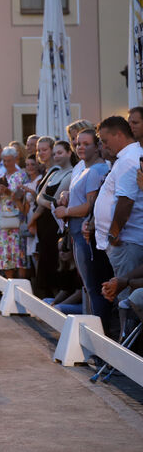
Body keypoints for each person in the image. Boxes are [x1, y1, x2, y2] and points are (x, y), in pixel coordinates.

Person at [54, 129, 112, 332]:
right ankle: (92, 331)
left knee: (93, 286)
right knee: (88, 287)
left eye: (86, 144)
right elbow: (78, 192)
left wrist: (66, 211)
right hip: (77, 232)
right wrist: (66, 193)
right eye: (78, 143)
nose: (80, 147)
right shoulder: (82, 167)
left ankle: (99, 334)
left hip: (86, 233)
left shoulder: (97, 170)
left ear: (97, 146)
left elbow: (90, 206)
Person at [94, 116, 143, 302]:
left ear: (119, 134)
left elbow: (125, 201)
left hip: (127, 242)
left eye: (105, 141)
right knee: (122, 296)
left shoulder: (129, 159)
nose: (104, 146)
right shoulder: (125, 158)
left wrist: (113, 233)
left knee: (125, 298)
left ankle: (124, 332)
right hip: (125, 241)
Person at [29, 140, 73, 298]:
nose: (57, 156)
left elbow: (53, 200)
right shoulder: (54, 173)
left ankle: (55, 298)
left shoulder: (71, 173)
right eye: (55, 153)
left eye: (60, 152)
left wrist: (45, 201)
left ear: (69, 152)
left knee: (55, 261)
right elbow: (40, 198)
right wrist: (46, 201)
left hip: (55, 224)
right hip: (45, 224)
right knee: (45, 260)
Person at [0, 147, 28, 278]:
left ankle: (22, 288)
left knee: (19, 253)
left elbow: (23, 198)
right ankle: (9, 284)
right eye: (4, 161)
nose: (6, 164)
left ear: (15, 159)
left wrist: (8, 192)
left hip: (17, 217)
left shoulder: (22, 175)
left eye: (9, 160)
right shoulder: (0, 177)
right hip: (3, 218)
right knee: (5, 254)